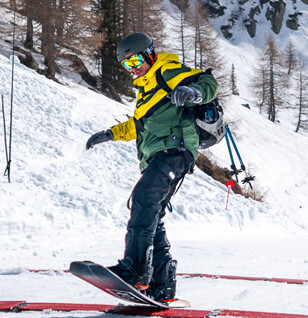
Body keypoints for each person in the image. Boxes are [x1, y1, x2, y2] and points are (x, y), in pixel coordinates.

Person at [84, 32, 219, 303]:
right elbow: (139, 125)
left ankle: (135, 270)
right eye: (126, 65)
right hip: (158, 155)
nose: (132, 68)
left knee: (144, 199)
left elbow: (208, 82)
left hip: (175, 149)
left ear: (148, 54)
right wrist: (109, 134)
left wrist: (193, 92)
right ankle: (162, 284)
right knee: (150, 213)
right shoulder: (146, 91)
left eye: (135, 60)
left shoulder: (165, 71)